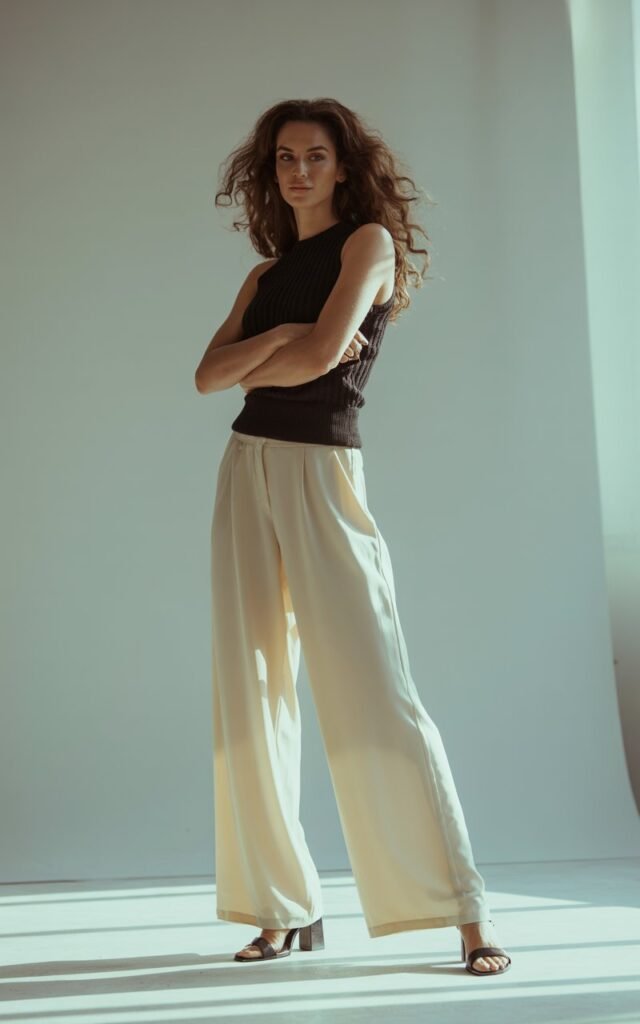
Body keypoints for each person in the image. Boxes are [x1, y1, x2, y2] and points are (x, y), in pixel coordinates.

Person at [195, 98, 512, 976]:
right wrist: (288, 339)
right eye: (285, 158)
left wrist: (284, 346)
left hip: (322, 471)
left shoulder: (367, 245)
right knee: (251, 689)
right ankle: (278, 908)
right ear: (272, 174)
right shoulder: (264, 278)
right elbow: (203, 376)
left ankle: (466, 913)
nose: (299, 170)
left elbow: (324, 354)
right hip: (246, 467)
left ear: (343, 166)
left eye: (316, 156)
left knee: (376, 684)